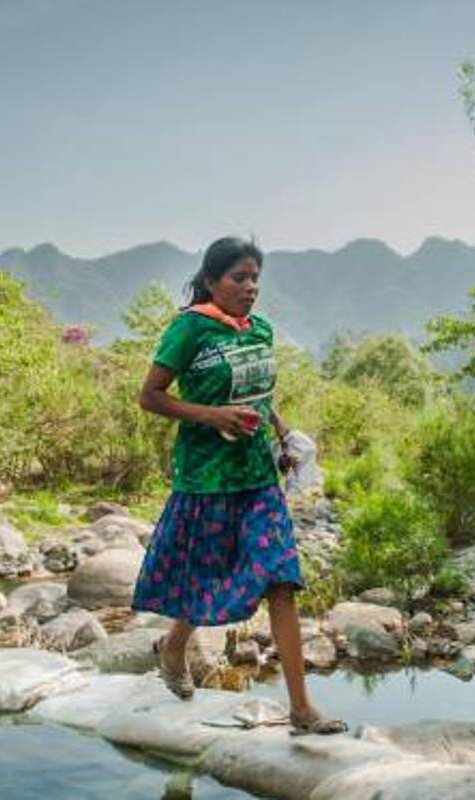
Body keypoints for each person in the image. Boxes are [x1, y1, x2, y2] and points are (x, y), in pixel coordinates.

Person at [132, 236, 347, 736]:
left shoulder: (261, 330)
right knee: (209, 576)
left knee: (281, 582)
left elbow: (261, 395)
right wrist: (211, 415)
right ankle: (174, 645)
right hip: (207, 479)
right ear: (212, 281)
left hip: (257, 479)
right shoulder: (190, 330)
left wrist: (285, 435)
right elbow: (150, 396)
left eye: (255, 279)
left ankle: (301, 710)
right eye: (239, 278)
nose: (250, 288)